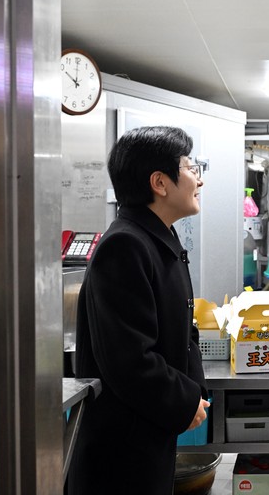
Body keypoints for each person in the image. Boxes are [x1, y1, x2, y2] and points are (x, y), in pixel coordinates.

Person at [68, 126, 210, 495]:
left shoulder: (158, 238)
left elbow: (185, 329)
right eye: (191, 168)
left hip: (145, 437)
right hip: (120, 456)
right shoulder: (125, 246)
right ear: (160, 183)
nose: (199, 180)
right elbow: (130, 360)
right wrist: (184, 401)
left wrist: (194, 393)